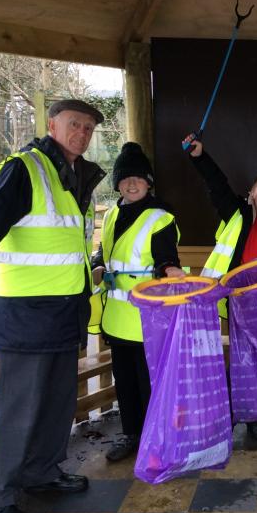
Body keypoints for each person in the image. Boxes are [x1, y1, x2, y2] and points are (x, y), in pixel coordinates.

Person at [0, 99, 106, 513]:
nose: (81, 134)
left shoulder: (75, 177)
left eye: (88, 128)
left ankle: (42, 473)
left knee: (56, 402)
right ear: (52, 124)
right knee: (20, 409)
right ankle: (4, 493)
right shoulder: (25, 168)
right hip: (24, 316)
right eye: (74, 125)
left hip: (65, 312)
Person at [185, 137, 257, 443]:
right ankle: (227, 415)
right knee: (239, 358)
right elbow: (217, 184)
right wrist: (200, 157)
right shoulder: (235, 213)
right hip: (231, 299)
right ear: (250, 195)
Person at [90, 142, 185, 462]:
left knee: (150, 382)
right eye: (125, 178)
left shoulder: (160, 217)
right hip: (117, 318)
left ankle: (156, 439)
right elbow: (104, 250)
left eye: (138, 179)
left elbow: (166, 256)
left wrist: (169, 269)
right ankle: (131, 434)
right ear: (117, 184)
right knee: (126, 381)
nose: (131, 184)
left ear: (148, 184)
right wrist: (97, 265)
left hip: (148, 320)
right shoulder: (114, 212)